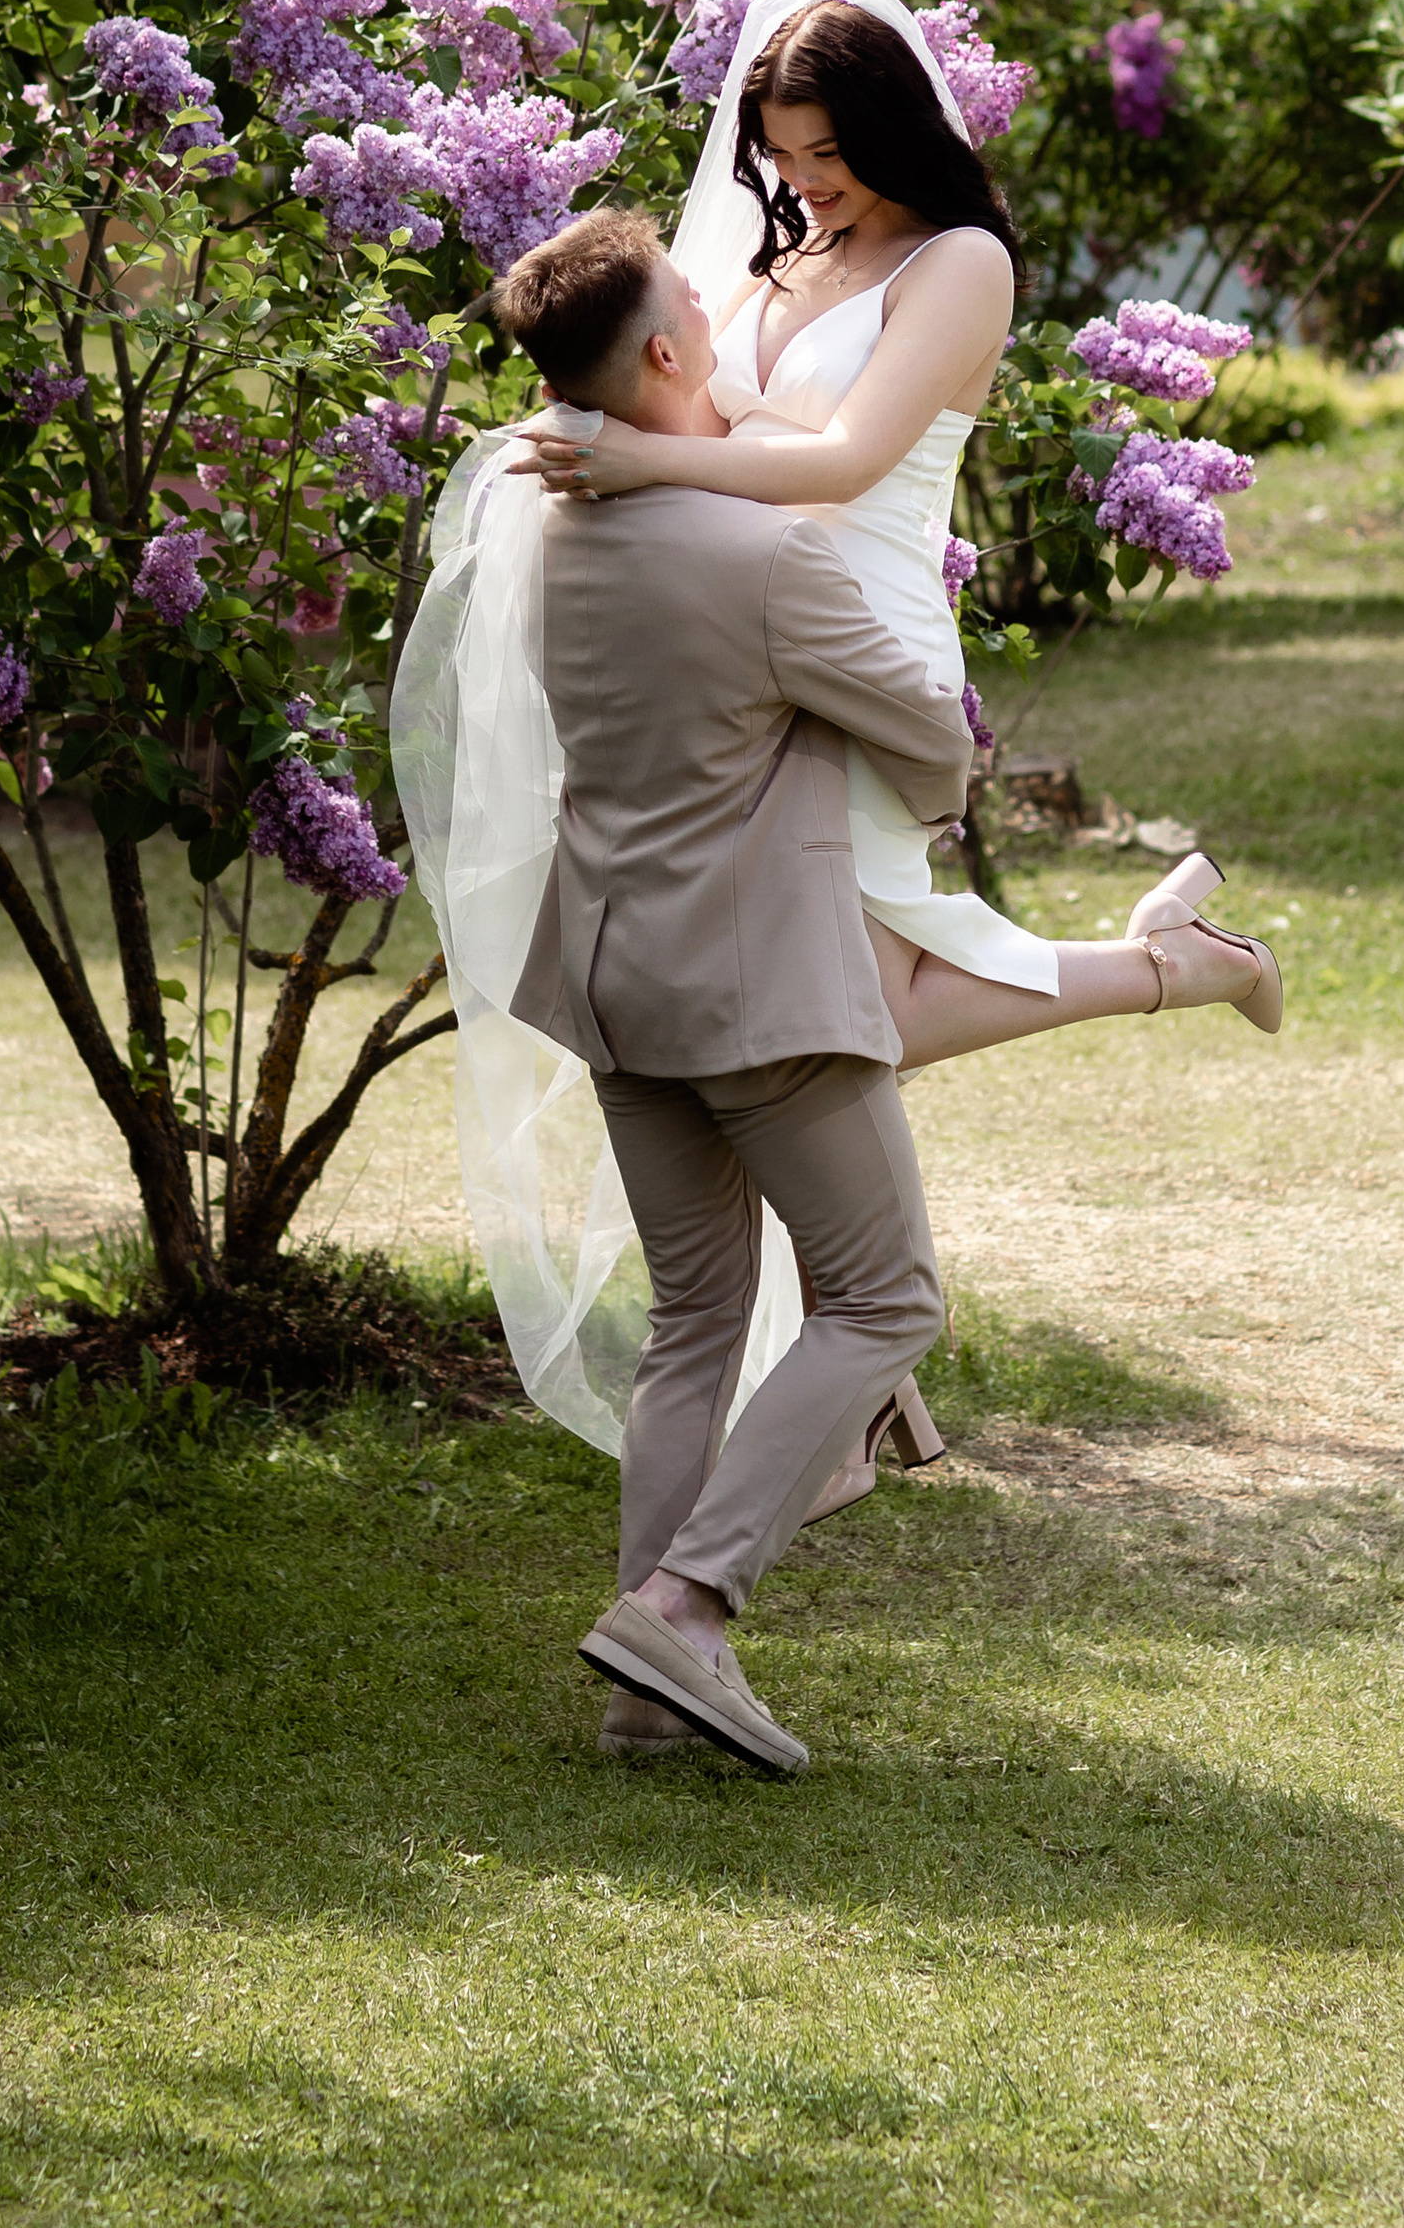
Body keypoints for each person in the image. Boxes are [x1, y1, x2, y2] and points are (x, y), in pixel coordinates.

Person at [391, 0, 1278, 1468]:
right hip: (746, 630)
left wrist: (646, 475)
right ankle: (869, 1365)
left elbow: (847, 458)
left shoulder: (960, 265)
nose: (799, 184)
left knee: (845, 1018)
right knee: (832, 1010)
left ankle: (1160, 977)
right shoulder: (778, 256)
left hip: (849, 627)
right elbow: (689, 403)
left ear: (889, 128)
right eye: (780, 154)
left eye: (824, 153)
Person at [493, 210, 969, 1774]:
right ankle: (689, 1608)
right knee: (885, 1296)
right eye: (693, 295)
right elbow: (935, 742)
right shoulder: (767, 555)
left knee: (697, 1316)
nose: (715, 299)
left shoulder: (558, 533)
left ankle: (643, 1699)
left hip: (619, 982)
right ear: (668, 352)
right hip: (759, 996)